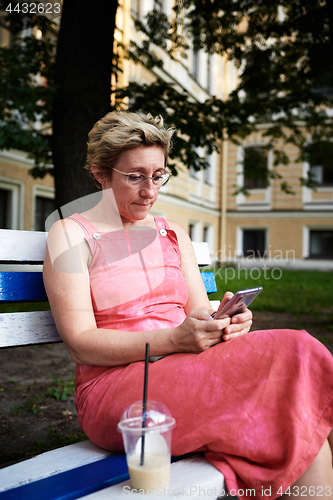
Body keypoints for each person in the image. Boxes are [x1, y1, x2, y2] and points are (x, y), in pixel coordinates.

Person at [43, 111, 333, 500]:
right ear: (100, 174)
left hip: (185, 368)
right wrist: (175, 341)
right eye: (134, 176)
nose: (150, 190)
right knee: (296, 353)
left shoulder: (171, 233)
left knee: (300, 420)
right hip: (115, 389)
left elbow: (198, 312)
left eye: (158, 174)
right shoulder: (70, 235)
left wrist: (223, 322)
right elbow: (80, 343)